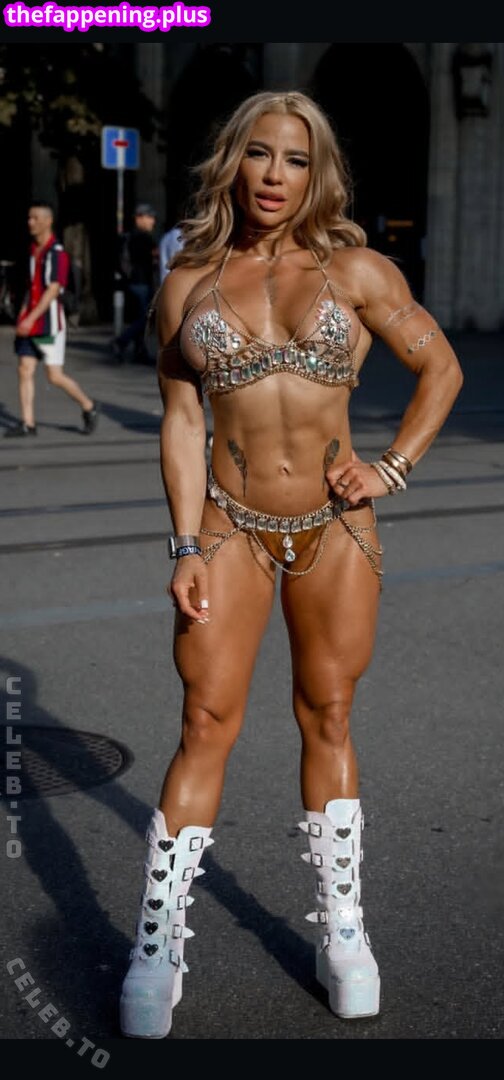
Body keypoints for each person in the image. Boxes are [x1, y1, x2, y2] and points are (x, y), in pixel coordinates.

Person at [119, 91, 464, 1038]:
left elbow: (442, 369)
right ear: (233, 161)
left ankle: (343, 931)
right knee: (204, 719)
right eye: (261, 154)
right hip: (227, 525)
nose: (276, 175)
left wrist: (392, 466)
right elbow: (181, 421)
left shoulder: (357, 271)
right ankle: (157, 944)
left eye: (297, 159)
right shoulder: (187, 284)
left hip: (336, 526)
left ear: (320, 174)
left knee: (330, 712)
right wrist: (184, 544)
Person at [4, 202, 99, 438]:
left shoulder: (56, 253)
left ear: (48, 221)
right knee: (25, 369)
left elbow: (53, 290)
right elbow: (31, 288)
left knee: (54, 375)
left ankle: (89, 406)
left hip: (49, 325)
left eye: (35, 218)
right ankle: (28, 423)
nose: (30, 222)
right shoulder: (33, 250)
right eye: (29, 218)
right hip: (30, 321)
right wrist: (23, 314)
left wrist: (31, 318)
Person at [113, 202, 158, 364]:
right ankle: (121, 341)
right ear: (139, 218)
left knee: (141, 316)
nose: (152, 221)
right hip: (141, 282)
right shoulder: (142, 237)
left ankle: (140, 351)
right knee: (146, 318)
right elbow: (152, 259)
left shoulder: (129, 236)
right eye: (149, 217)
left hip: (133, 281)